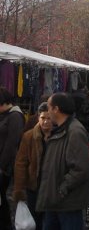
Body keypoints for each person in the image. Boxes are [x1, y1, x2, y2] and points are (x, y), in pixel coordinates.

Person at [36, 93, 89, 230]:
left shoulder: (75, 131)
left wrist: (62, 188)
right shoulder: (61, 129)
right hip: (56, 201)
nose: (47, 111)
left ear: (56, 109)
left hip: (67, 203)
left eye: (49, 107)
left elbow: (81, 168)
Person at [13, 102, 52, 230]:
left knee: (50, 221)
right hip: (34, 187)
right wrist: (19, 190)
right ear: (38, 118)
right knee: (35, 220)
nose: (46, 122)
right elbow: (21, 163)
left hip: (52, 188)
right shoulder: (29, 136)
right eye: (43, 118)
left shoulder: (58, 136)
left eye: (49, 118)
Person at [0, 87, 25, 230]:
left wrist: (2, 166)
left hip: (6, 165)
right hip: (3, 163)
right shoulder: (5, 115)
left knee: (2, 194)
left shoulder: (15, 116)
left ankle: (5, 223)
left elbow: (12, 144)